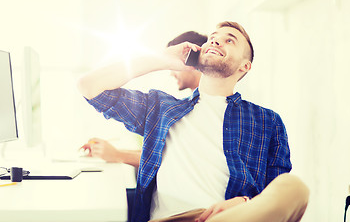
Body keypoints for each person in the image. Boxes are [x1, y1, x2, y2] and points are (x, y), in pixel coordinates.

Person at [78, 21, 309, 222]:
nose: (216, 42)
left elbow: (274, 191)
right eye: (212, 39)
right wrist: (161, 59)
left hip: (229, 218)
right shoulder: (161, 109)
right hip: (171, 220)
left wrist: (246, 202)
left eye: (230, 41)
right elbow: (89, 86)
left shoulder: (267, 121)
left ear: (244, 66)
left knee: (294, 188)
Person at [79, 31, 207, 167]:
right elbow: (160, 152)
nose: (171, 73)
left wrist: (117, 155)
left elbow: (178, 160)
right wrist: (110, 151)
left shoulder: (211, 112)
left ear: (191, 59)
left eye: (174, 64)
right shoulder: (179, 109)